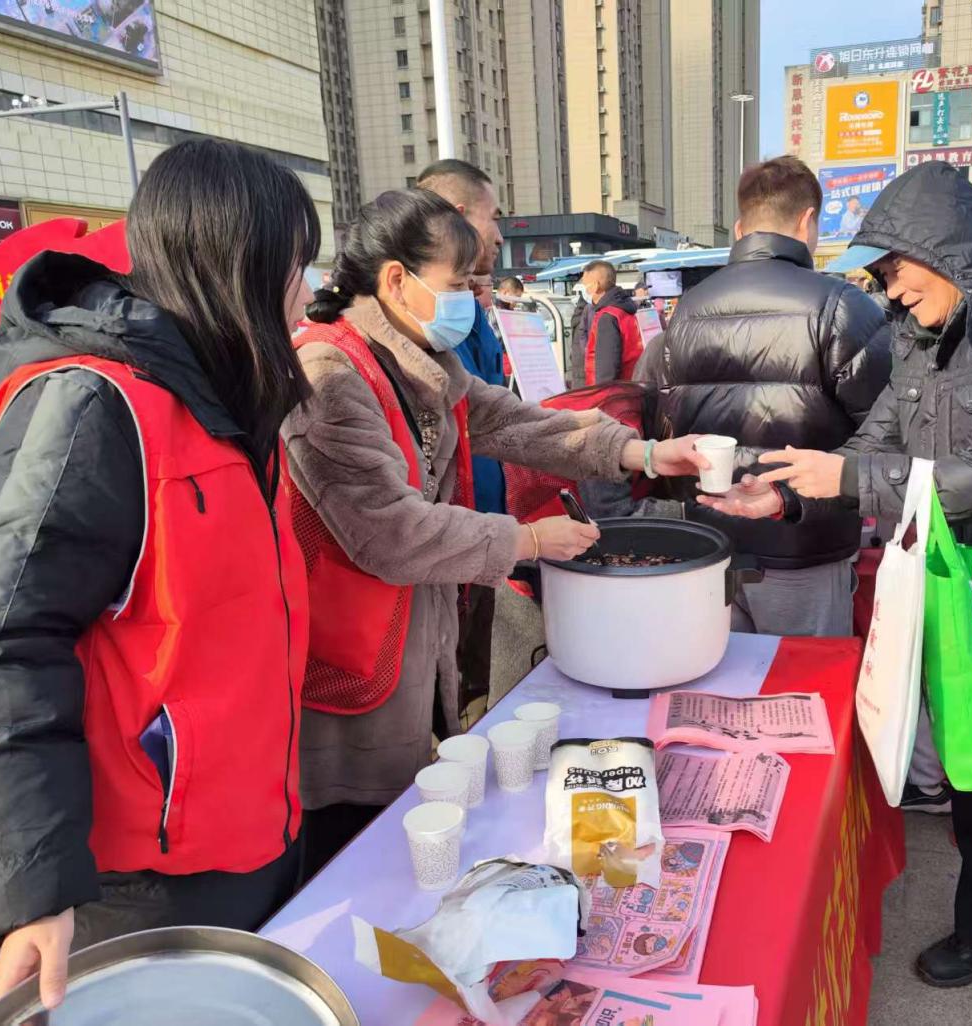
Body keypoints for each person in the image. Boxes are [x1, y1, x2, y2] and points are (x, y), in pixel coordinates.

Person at [703, 161, 972, 1026]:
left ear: (948, 252)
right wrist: (786, 493)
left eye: (897, 270)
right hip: (961, 596)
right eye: (880, 276)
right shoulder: (917, 332)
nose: (891, 292)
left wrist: (846, 477)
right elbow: (876, 445)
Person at [0, 139, 321, 1010]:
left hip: (249, 834)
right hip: (125, 885)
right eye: (295, 268)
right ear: (238, 265)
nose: (305, 296)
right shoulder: (92, 404)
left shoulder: (223, 400)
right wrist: (31, 886)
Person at [283, 190, 705, 877]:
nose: (473, 301)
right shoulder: (329, 374)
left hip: (417, 637)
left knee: (414, 828)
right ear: (397, 280)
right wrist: (528, 541)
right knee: (355, 852)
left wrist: (647, 454)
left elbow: (516, 423)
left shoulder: (420, 359)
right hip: (350, 654)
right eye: (459, 284)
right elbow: (390, 532)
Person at [637, 155, 890, 638]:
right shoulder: (841, 306)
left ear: (740, 228)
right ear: (808, 221)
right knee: (806, 682)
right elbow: (885, 431)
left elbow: (666, 417)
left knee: (722, 681)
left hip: (711, 547)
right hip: (805, 549)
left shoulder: (688, 308)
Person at [418, 159, 508, 516]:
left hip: (487, 521)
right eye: (494, 218)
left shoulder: (465, 313)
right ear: (458, 219)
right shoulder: (419, 328)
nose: (500, 237)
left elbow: (493, 412)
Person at [579, 260, 644, 384]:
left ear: (595, 286)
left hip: (614, 391)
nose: (584, 289)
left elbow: (607, 371)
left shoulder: (608, 317)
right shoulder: (624, 309)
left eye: (585, 284)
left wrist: (602, 393)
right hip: (629, 385)